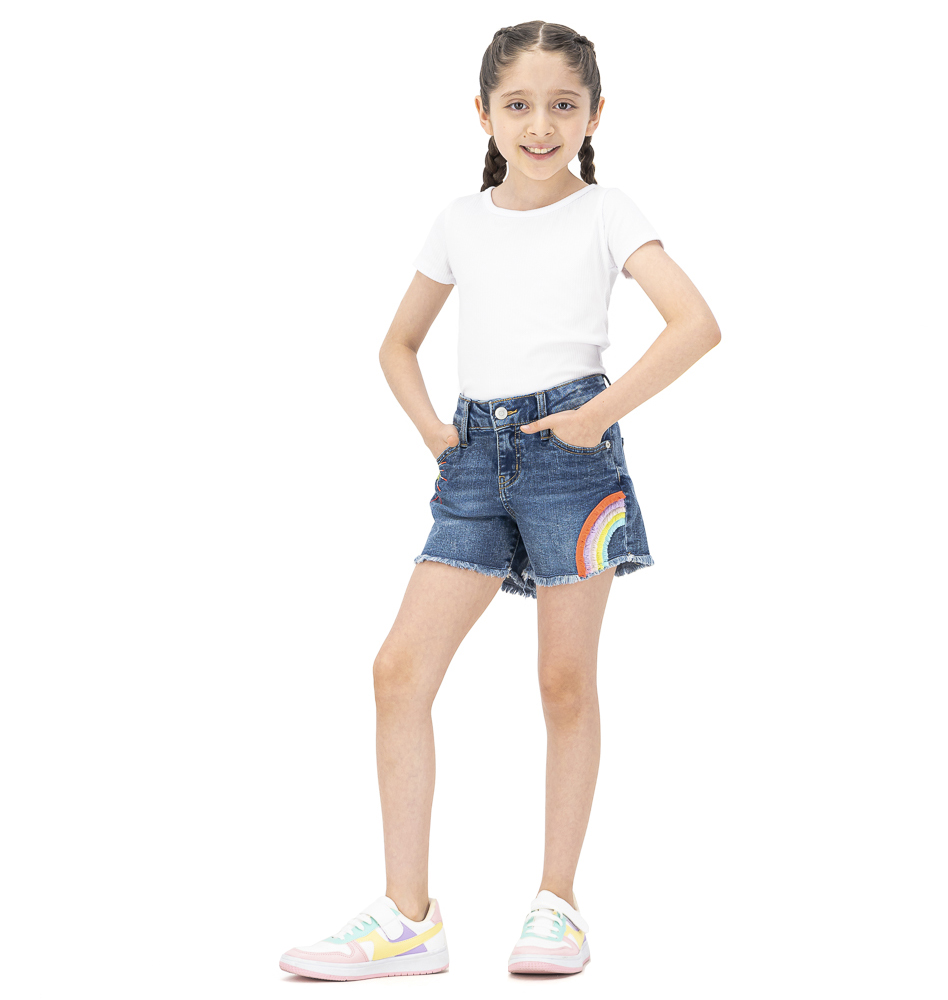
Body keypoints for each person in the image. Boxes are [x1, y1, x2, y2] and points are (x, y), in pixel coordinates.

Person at [279, 19, 721, 982]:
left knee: (563, 682)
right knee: (399, 671)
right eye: (517, 104)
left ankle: (557, 904)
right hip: (474, 461)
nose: (540, 124)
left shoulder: (609, 211)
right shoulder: (459, 221)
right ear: (482, 113)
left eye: (563, 104)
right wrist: (434, 431)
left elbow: (696, 323)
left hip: (573, 462)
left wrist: (594, 415)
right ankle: (408, 918)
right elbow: (397, 344)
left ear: (595, 114)